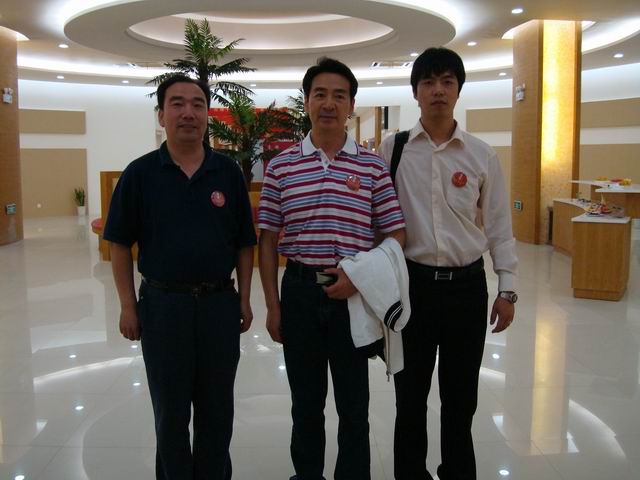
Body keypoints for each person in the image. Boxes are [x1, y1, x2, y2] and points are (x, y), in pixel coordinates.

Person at [258, 57, 406, 480]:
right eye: (319, 94)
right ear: (306, 101)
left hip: (352, 297)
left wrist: (360, 277)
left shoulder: (372, 166)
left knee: (354, 405)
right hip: (300, 292)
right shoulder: (281, 166)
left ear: (351, 104)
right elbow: (267, 240)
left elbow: (396, 234)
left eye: (339, 95)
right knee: (305, 403)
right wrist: (272, 306)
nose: (328, 103)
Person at [103, 74, 256, 480]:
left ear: (207, 115)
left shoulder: (227, 172)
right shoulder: (140, 174)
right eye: (177, 103)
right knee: (170, 413)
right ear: (161, 114)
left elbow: (245, 242)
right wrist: (127, 306)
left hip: (218, 306)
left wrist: (244, 299)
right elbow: (118, 243)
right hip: (162, 308)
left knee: (217, 411)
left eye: (197, 104)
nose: (188, 112)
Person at [378, 47, 518, 480]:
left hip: (466, 290)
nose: (437, 90)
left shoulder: (481, 154)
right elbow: (376, 218)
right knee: (410, 398)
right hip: (412, 289)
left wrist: (507, 288)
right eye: (428, 82)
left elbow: (499, 225)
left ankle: (457, 472)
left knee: (461, 399)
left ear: (458, 90)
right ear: (415, 92)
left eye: (447, 82)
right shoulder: (393, 149)